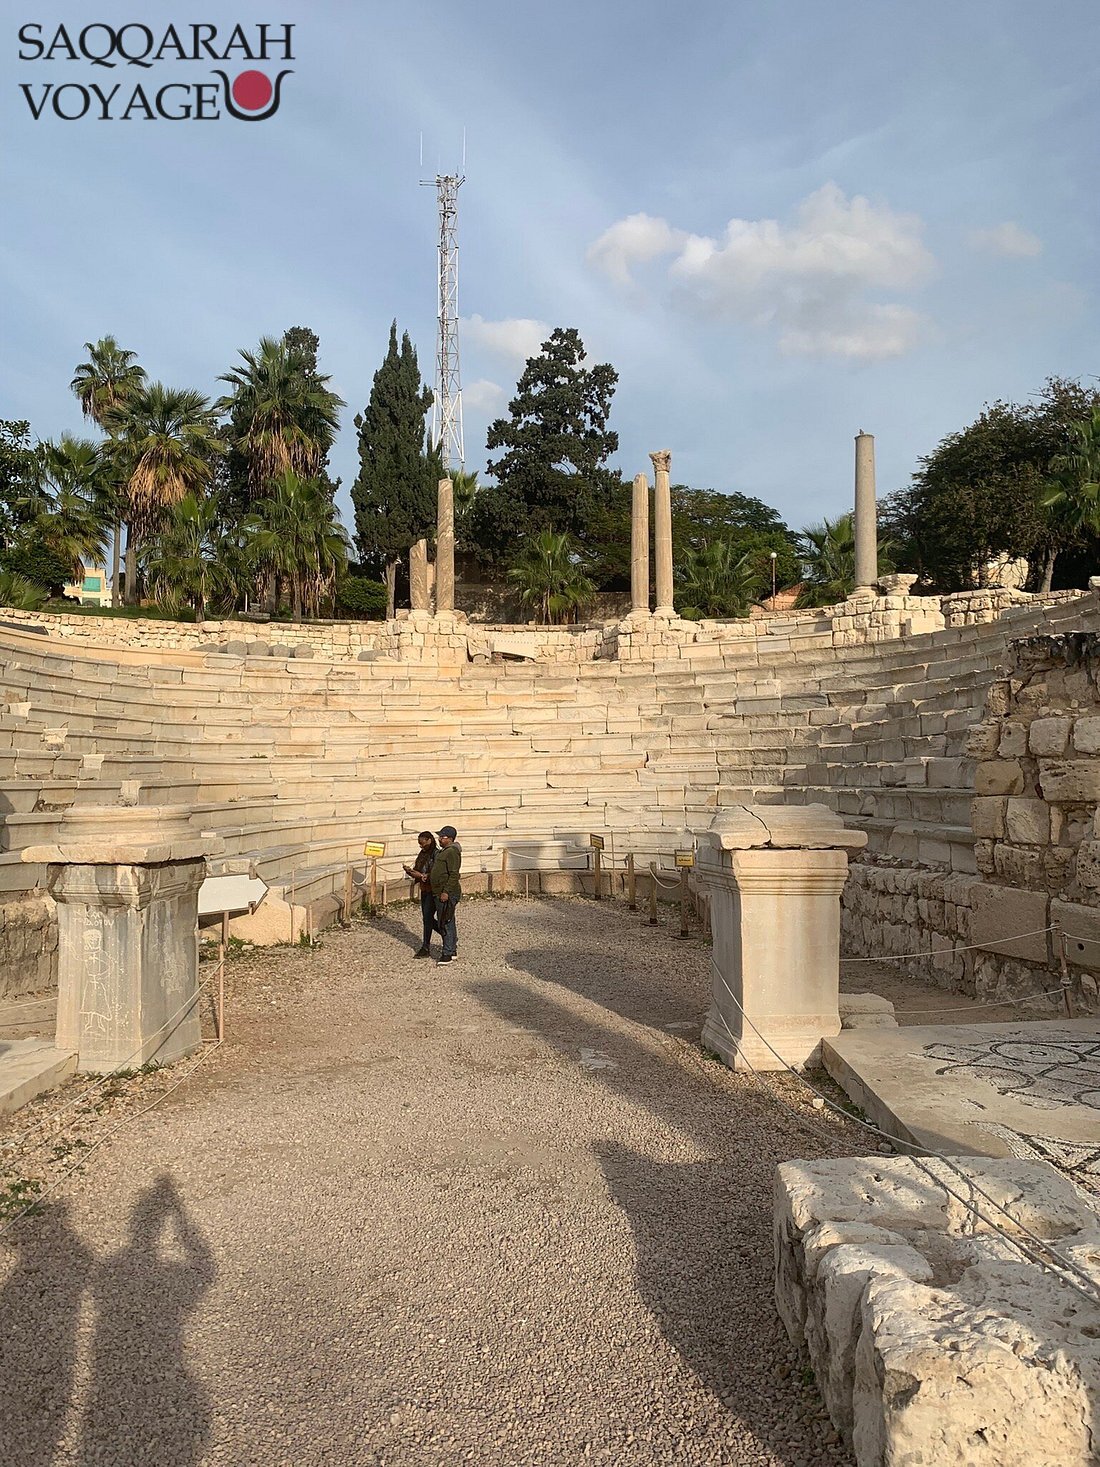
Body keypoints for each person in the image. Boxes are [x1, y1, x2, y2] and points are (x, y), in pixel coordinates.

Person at [403, 831, 439, 958]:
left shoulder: (436, 854)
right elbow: (419, 870)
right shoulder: (423, 854)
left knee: (428, 918)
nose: (421, 846)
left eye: (422, 843)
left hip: (433, 890)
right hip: (424, 889)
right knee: (427, 918)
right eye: (420, 844)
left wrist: (422, 876)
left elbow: (436, 873)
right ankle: (445, 936)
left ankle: (428, 945)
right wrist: (411, 872)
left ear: (429, 840)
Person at [430, 824, 462, 964]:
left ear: (449, 838)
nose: (439, 839)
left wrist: (446, 891)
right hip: (440, 891)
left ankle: (447, 953)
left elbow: (454, 874)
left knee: (445, 921)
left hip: (446, 892)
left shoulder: (452, 852)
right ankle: (451, 949)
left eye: (442, 837)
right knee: (448, 920)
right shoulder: (445, 851)